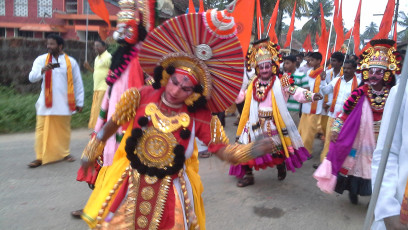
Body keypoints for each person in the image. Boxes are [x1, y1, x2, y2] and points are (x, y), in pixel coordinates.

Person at [79, 9, 276, 229]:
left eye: (185, 87)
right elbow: (113, 124)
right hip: (130, 180)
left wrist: (252, 150)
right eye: (174, 82)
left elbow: (222, 151)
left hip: (171, 189)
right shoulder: (140, 95)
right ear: (167, 75)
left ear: (194, 92)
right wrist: (92, 149)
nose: (175, 91)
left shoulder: (201, 117)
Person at [72, 1, 147, 219]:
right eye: (119, 26)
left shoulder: (141, 58)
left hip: (129, 124)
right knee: (107, 162)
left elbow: (139, 94)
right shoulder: (121, 54)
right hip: (113, 120)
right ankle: (98, 205)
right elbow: (112, 88)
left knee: (123, 165)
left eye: (127, 27)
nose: (121, 31)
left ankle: (113, 208)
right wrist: (101, 121)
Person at [314, 39, 401, 205]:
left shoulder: (393, 94)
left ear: (387, 74)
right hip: (358, 139)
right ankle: (353, 192)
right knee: (354, 166)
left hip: (383, 139)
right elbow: (345, 112)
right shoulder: (360, 92)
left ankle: (377, 197)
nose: (374, 75)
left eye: (379, 72)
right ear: (366, 72)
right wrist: (336, 129)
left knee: (380, 168)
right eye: (371, 71)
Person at [229, 38, 323, 187]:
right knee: (245, 149)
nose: (265, 69)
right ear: (257, 68)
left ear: (272, 66)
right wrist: (229, 92)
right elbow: (243, 97)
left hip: (273, 123)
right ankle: (248, 175)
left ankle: (280, 165)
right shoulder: (253, 82)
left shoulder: (281, 81)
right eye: (261, 67)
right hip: (253, 122)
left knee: (276, 152)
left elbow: (294, 90)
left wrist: (311, 96)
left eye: (267, 66)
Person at [27, 34, 84, 168]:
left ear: (60, 46)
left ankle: (64, 153)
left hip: (64, 103)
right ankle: (39, 157)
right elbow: (31, 78)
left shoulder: (71, 61)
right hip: (45, 103)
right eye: (48, 44)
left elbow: (77, 82)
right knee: (41, 130)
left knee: (63, 130)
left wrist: (79, 102)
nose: (49, 46)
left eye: (52, 44)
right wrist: (43, 70)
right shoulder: (41, 60)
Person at [371, 84, 407, 230]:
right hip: (400, 212)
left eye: (379, 72)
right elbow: (386, 152)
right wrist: (387, 209)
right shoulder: (403, 90)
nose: (374, 76)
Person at [318, 59, 360, 163]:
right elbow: (325, 91)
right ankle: (325, 163)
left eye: (349, 68)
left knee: (344, 142)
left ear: (354, 69)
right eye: (344, 68)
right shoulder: (337, 80)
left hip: (348, 118)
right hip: (333, 115)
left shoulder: (358, 83)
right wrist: (323, 80)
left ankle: (339, 164)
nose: (346, 70)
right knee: (328, 140)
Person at [297, 52, 325, 156]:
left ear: (318, 61)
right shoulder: (309, 72)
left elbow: (326, 90)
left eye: (313, 60)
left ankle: (307, 151)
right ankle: (300, 149)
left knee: (309, 131)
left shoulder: (323, 74)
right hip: (306, 104)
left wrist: (322, 80)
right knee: (302, 129)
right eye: (310, 60)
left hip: (316, 106)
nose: (310, 62)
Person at [84, 40, 111, 129]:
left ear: (104, 47)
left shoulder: (108, 57)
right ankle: (95, 127)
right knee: (95, 108)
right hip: (96, 87)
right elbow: (96, 72)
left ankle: (99, 127)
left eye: (98, 46)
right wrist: (89, 68)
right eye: (95, 46)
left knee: (100, 109)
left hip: (104, 87)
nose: (96, 48)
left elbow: (113, 71)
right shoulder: (97, 58)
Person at [283, 55, 307, 126]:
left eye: (287, 63)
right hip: (282, 108)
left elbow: (306, 91)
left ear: (294, 63)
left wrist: (292, 89)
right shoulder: (283, 76)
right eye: (284, 63)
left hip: (294, 109)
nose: (285, 66)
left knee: (293, 132)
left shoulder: (301, 75)